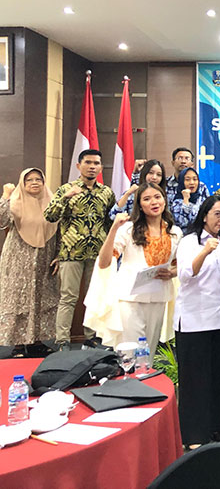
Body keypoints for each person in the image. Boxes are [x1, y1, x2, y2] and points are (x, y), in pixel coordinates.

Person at [174, 196, 220, 449]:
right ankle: (194, 435)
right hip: (194, 321)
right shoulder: (189, 241)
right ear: (204, 215)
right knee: (195, 379)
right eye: (217, 214)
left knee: (216, 376)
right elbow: (185, 274)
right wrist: (205, 251)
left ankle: (215, 426)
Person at [83, 183, 181, 361]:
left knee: (149, 354)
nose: (154, 202)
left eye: (157, 197)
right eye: (147, 199)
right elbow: (104, 262)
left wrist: (172, 273)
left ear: (164, 200)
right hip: (130, 299)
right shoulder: (128, 230)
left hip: (159, 297)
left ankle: (144, 378)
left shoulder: (175, 232)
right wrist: (114, 228)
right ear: (140, 206)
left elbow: (179, 265)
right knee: (132, 352)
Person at [44, 149, 116, 351]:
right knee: (68, 298)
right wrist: (65, 198)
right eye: (88, 162)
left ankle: (92, 337)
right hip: (71, 252)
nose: (92, 167)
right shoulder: (67, 189)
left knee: (95, 298)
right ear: (78, 165)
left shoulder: (106, 192)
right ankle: (62, 341)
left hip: (98, 253)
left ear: (101, 167)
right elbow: (50, 216)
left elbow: (110, 222)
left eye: (96, 163)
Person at [0, 168, 59, 348]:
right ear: (22, 183)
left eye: (38, 179)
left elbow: (60, 232)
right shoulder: (14, 201)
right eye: (29, 180)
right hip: (17, 260)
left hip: (45, 259)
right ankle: (17, 344)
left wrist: (58, 255)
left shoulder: (52, 203)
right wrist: (5, 196)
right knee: (19, 300)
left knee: (43, 299)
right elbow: (2, 221)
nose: (34, 183)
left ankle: (37, 342)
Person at [171, 167, 210, 233]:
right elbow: (182, 223)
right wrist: (186, 201)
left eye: (195, 179)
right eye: (187, 179)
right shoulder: (176, 203)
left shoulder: (202, 198)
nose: (192, 182)